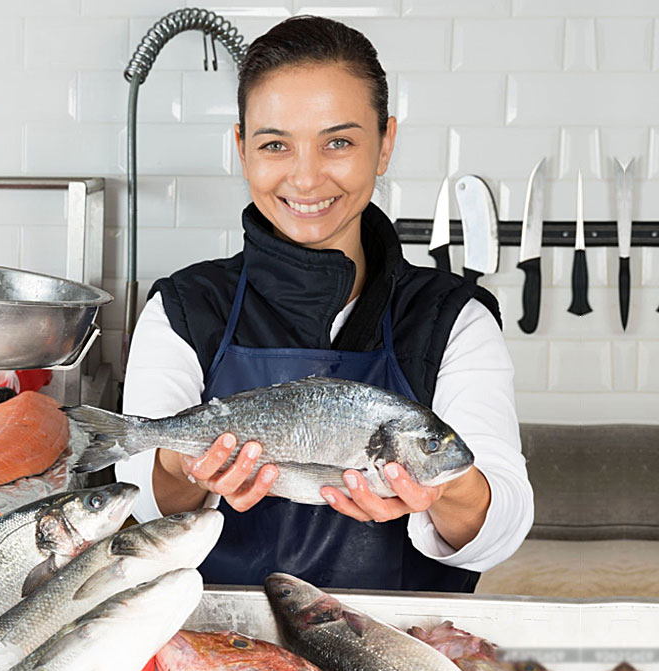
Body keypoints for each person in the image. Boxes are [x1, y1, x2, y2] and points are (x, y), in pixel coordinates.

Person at [114, 15, 533, 592]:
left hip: (402, 643)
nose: (306, 178)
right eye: (275, 144)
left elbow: (506, 521)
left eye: (338, 142)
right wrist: (178, 464)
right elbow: (141, 502)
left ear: (385, 144)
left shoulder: (453, 317)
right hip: (221, 642)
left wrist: (445, 490)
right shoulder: (185, 307)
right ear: (241, 149)